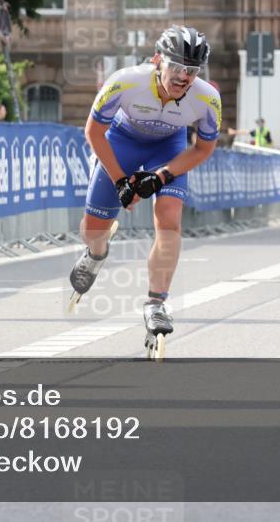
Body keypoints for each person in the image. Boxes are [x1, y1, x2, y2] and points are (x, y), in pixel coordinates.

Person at [69, 25, 221, 352]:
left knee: (169, 219)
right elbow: (94, 132)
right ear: (157, 60)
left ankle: (156, 302)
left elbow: (203, 148)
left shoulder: (207, 98)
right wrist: (120, 181)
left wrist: (162, 176)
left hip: (168, 147)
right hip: (121, 142)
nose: (183, 77)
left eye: (192, 70)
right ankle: (96, 253)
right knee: (93, 229)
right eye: (176, 66)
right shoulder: (126, 81)